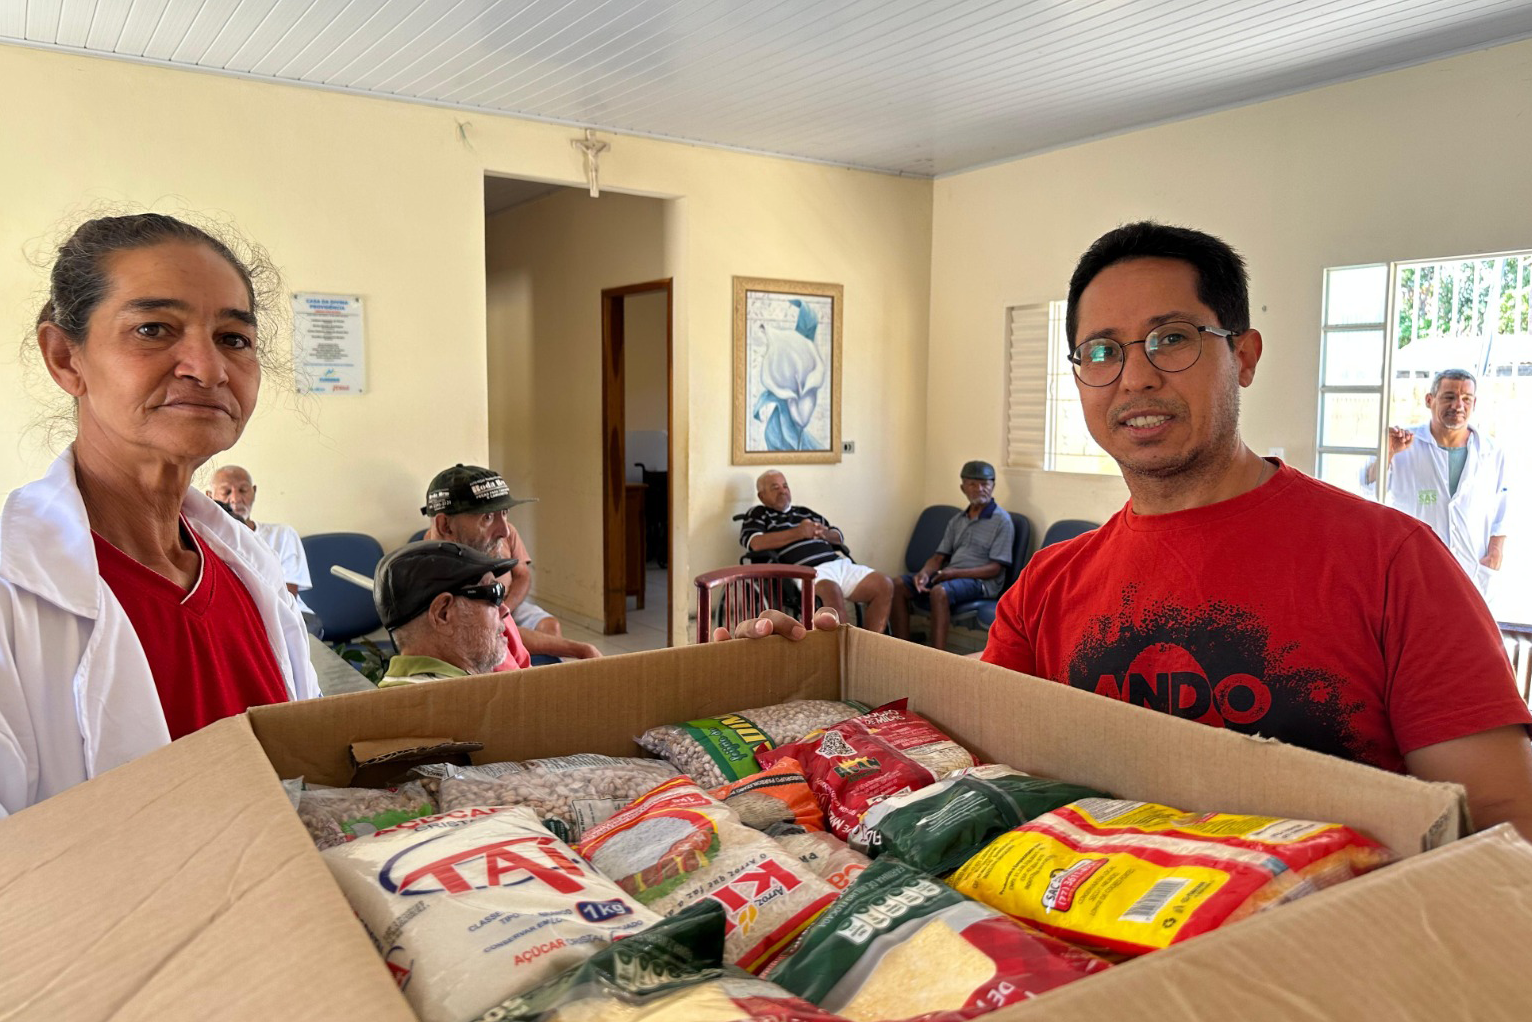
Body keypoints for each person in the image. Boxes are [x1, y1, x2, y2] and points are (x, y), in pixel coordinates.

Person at [728, 222, 1532, 840]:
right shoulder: (1051, 583)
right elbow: (961, 743)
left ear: (1244, 355)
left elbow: (1497, 819)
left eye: (1171, 339)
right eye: (1102, 351)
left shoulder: (1393, 562)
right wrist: (823, 686)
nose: (1136, 375)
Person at [0, 212, 320, 817]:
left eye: (234, 339)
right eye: (153, 328)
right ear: (66, 358)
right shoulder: (13, 594)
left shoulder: (250, 571)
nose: (208, 368)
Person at [422, 464, 600, 663]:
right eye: (487, 517)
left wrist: (581, 649)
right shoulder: (440, 588)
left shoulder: (470, 568)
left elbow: (504, 627)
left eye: (504, 513)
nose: (505, 532)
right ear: (444, 525)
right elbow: (494, 631)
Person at [1360, 369, 1509, 599]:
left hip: (1473, 568)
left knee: (1469, 631)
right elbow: (1368, 489)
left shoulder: (1491, 451)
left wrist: (1496, 550)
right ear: (1430, 400)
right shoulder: (1403, 442)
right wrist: (1388, 454)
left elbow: (1503, 504)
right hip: (1415, 567)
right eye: (1449, 397)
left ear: (1474, 403)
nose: (1458, 405)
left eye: (1466, 399)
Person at [738, 470, 894, 632]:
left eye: (785, 486)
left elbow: (838, 537)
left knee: (884, 584)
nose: (782, 490)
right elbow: (755, 543)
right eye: (775, 487)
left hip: (837, 563)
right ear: (762, 496)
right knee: (831, 590)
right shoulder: (758, 514)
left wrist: (824, 533)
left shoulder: (805, 513)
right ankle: (846, 649)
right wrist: (799, 532)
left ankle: (869, 647)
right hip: (805, 572)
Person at [891, 460, 1015, 651]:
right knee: (898, 585)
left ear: (993, 486)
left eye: (985, 484)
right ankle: (902, 649)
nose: (979, 489)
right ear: (963, 487)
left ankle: (937, 656)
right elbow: (939, 557)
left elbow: (995, 569)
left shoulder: (1002, 521)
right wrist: (924, 573)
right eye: (973, 484)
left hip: (983, 582)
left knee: (940, 591)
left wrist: (954, 574)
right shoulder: (958, 520)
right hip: (951, 576)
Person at [372, 540, 515, 686]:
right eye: (493, 594)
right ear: (443, 614)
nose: (505, 610)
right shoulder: (460, 703)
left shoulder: (390, 694)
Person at [206, 463, 323, 634]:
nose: (236, 499)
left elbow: (287, 597)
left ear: (254, 491)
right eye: (226, 492)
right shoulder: (205, 539)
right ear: (210, 496)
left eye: (243, 490)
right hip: (237, 620)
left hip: (289, 617)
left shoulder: (283, 535)